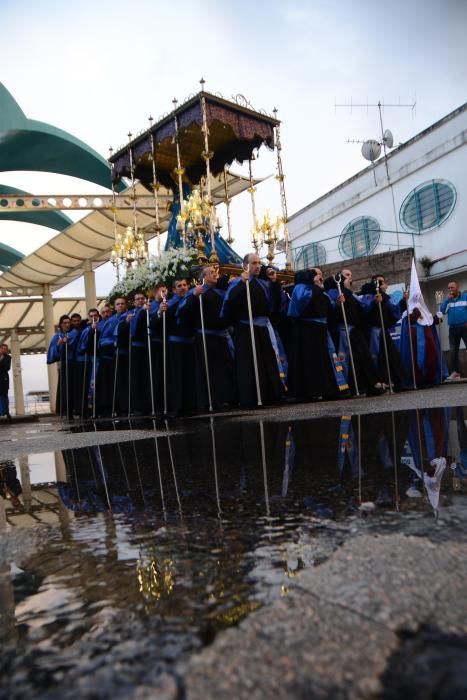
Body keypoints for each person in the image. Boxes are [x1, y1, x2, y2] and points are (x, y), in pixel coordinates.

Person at [221, 252, 286, 407]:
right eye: (254, 263)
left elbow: (274, 304)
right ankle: (250, 396)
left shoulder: (263, 283)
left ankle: (271, 394)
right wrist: (243, 285)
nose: (258, 266)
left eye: (259, 263)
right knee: (249, 362)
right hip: (246, 328)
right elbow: (229, 303)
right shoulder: (238, 282)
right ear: (246, 265)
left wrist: (275, 283)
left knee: (267, 361)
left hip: (262, 328)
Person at [178, 265, 236, 410]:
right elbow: (183, 312)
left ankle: (227, 398)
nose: (215, 275)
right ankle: (211, 400)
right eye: (211, 273)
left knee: (225, 368)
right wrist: (193, 296)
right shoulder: (197, 292)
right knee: (210, 370)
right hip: (205, 337)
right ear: (203, 277)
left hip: (221, 336)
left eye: (215, 272)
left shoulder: (221, 292)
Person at [287, 268, 348, 401]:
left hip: (321, 330)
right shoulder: (301, 288)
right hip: (308, 331)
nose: (319, 277)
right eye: (316, 275)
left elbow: (327, 307)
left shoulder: (319, 290)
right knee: (310, 362)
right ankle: (310, 391)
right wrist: (316, 289)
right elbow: (299, 306)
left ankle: (328, 389)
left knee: (325, 361)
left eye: (320, 275)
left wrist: (337, 303)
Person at [324, 270, 385, 396]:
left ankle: (370, 384)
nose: (349, 278)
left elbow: (363, 307)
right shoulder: (333, 292)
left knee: (363, 357)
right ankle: (351, 386)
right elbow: (330, 309)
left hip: (355, 330)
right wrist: (337, 304)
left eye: (351, 276)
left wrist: (374, 302)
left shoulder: (351, 294)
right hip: (344, 330)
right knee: (348, 359)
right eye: (346, 275)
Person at [359, 274, 407, 391]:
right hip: (373, 332)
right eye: (380, 282)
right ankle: (382, 383)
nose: (383, 285)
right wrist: (375, 303)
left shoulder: (385, 298)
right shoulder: (368, 296)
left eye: (383, 282)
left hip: (383, 331)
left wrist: (403, 302)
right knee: (377, 358)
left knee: (393, 357)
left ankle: (399, 383)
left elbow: (394, 312)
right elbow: (366, 312)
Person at [157, 277, 196, 417]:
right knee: (177, 376)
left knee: (191, 374)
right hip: (175, 344)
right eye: (179, 285)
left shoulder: (193, 298)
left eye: (185, 285)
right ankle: (177, 406)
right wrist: (161, 312)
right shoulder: (169, 303)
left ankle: (192, 404)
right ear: (173, 290)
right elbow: (160, 322)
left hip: (190, 342)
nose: (183, 287)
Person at [399, 306, 448, 387]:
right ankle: (419, 380)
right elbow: (409, 320)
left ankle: (430, 379)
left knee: (431, 357)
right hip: (415, 338)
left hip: (427, 337)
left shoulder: (424, 309)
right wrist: (416, 314)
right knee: (417, 359)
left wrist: (437, 317)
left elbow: (430, 321)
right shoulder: (407, 311)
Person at [46, 314, 79, 418]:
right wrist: (58, 344)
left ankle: (75, 409)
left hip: (74, 363)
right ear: (61, 324)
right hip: (64, 364)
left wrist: (68, 343)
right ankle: (66, 410)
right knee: (64, 387)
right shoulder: (57, 336)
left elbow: (76, 346)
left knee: (74, 387)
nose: (67, 325)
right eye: (65, 323)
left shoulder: (74, 333)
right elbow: (52, 351)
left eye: (69, 322)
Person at [440, 281, 467, 380]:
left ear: (457, 287)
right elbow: (442, 311)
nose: (450, 290)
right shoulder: (448, 300)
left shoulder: (465, 296)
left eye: (452, 287)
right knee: (453, 351)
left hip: (465, 327)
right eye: (449, 288)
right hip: (453, 329)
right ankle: (456, 372)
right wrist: (446, 300)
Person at [0, 343, 11, 419]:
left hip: (4, 380)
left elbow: (7, 368)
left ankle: (7, 413)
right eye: (2, 348)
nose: (4, 350)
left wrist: (1, 361)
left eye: (5, 349)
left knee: (5, 396)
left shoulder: (8, 357)